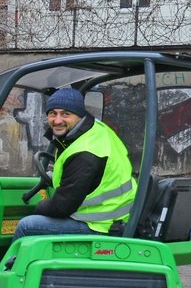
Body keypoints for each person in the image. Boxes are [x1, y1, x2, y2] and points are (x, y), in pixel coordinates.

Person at [13, 87, 136, 240]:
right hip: (113, 215)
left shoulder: (85, 153)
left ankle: (11, 264)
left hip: (102, 225)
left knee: (26, 226)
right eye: (53, 113)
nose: (57, 120)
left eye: (65, 114)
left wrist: (38, 207)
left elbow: (61, 207)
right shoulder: (94, 129)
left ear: (79, 115)